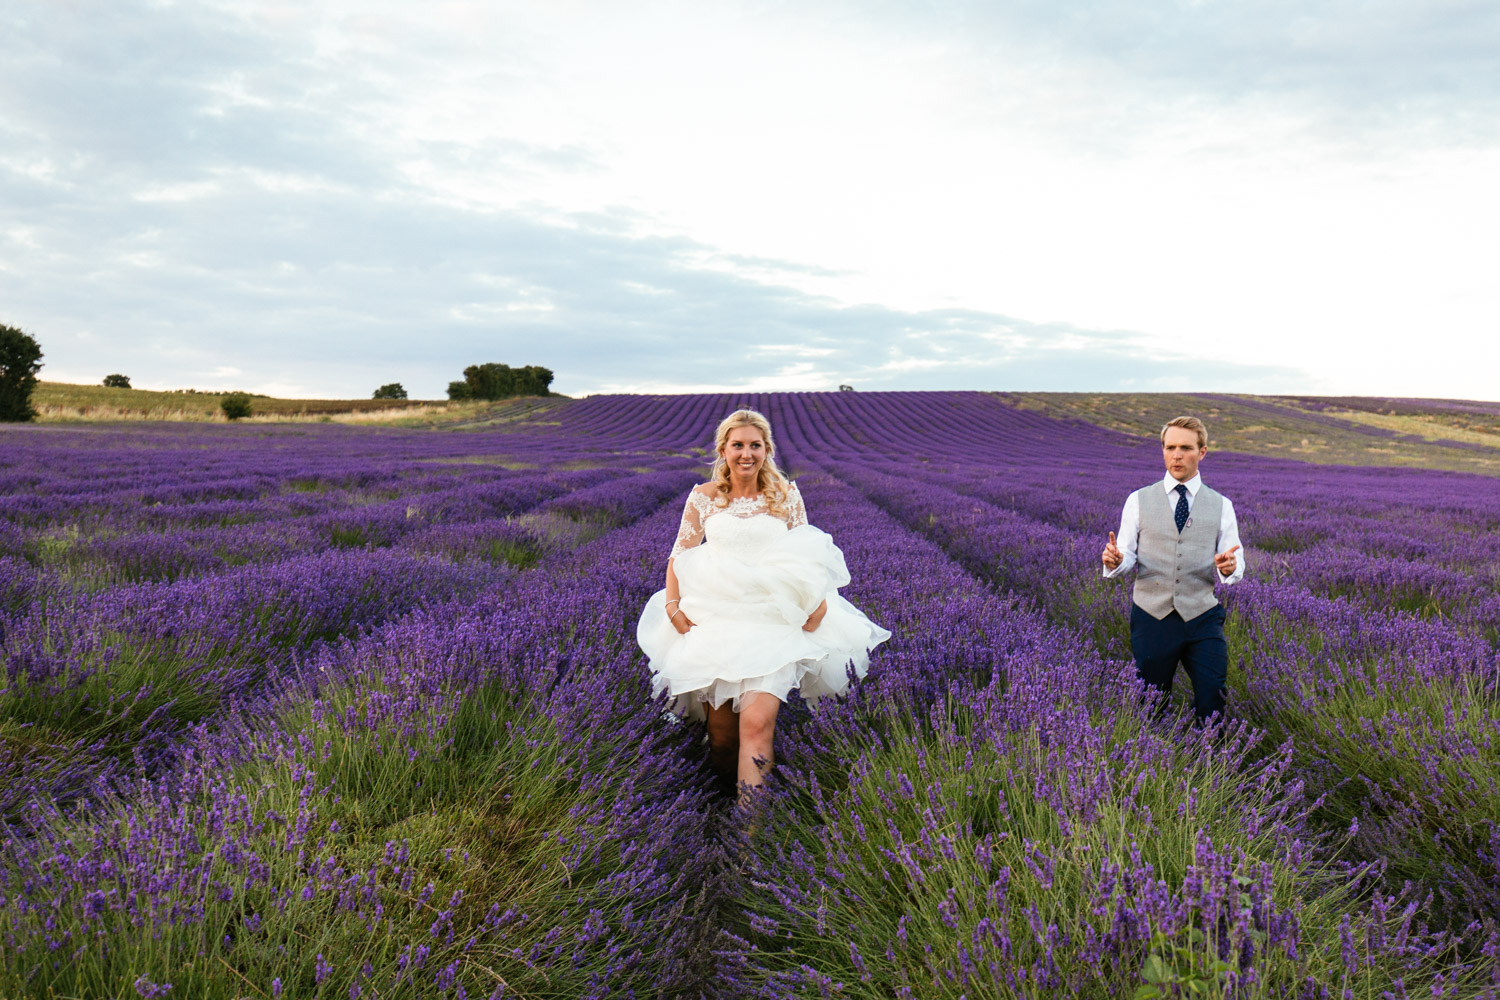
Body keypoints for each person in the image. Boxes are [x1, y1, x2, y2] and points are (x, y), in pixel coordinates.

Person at [636, 409, 890, 800]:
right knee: (721, 738)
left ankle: (747, 839)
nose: (746, 453)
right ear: (723, 449)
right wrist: (672, 607)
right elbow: (679, 556)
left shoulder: (786, 496)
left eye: (755, 445)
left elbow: (809, 556)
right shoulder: (702, 497)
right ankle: (717, 802)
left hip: (773, 622)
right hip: (715, 622)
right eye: (738, 445)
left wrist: (819, 604)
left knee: (756, 726)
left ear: (767, 450)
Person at [1101, 415, 1244, 724]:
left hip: (1202, 615)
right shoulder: (1138, 500)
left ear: (1202, 452)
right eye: (1170, 447)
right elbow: (1125, 554)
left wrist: (1230, 567)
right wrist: (1115, 561)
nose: (1176, 455)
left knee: (1213, 695)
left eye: (1186, 448)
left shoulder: (1222, 505)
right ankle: (1148, 762)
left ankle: (1212, 762)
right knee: (1151, 701)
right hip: (1153, 615)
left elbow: (1235, 559)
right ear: (1163, 450)